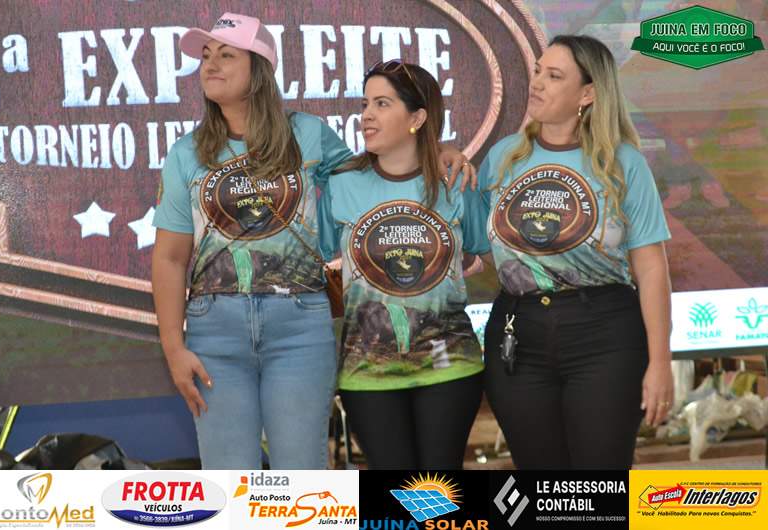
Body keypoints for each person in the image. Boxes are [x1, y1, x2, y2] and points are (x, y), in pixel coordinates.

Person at [151, 13, 474, 469]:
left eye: (226, 55)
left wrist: (436, 148)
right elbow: (169, 258)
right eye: (205, 56)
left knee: (302, 480)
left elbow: (375, 168)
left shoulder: (307, 132)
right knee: (230, 482)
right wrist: (173, 347)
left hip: (299, 327)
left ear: (260, 68)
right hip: (214, 329)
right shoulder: (187, 152)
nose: (210, 65)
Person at [476, 35, 674, 469]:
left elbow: (651, 269)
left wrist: (661, 362)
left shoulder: (625, 164)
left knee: (600, 482)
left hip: (605, 335)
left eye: (554, 76)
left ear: (587, 94)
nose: (537, 83)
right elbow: (473, 244)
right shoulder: (502, 157)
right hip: (518, 334)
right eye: (537, 72)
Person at [320, 60, 488, 470]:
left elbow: (487, 251)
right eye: (365, 104)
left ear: (417, 118)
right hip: (367, 371)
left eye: (382, 103)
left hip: (449, 365)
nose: (366, 115)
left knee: (439, 491)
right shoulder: (342, 184)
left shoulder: (455, 183)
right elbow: (313, 258)